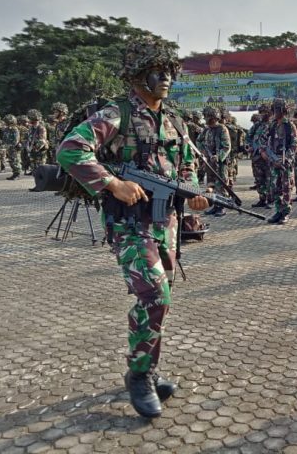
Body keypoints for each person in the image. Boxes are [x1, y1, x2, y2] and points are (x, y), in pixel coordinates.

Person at [57, 36, 208, 418]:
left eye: (170, 72)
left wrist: (192, 195)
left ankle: (148, 368)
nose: (166, 79)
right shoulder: (116, 114)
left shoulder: (174, 120)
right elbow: (71, 149)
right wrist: (112, 183)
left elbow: (186, 164)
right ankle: (139, 375)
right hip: (128, 224)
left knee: (160, 302)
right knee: (155, 296)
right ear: (138, 76)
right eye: (157, 73)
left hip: (165, 221)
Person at [263, 98, 296, 224]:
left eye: (278, 109)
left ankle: (285, 213)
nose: (275, 112)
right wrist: (263, 152)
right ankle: (278, 211)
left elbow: (294, 145)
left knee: (286, 187)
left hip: (284, 162)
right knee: (275, 187)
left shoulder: (289, 125)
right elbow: (263, 139)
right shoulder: (272, 125)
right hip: (273, 161)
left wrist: (285, 159)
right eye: (274, 109)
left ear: (284, 110)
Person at [201, 106, 231, 217]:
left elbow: (227, 147)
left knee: (221, 184)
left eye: (209, 117)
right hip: (209, 162)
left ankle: (222, 206)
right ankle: (215, 205)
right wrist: (203, 151)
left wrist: (218, 156)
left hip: (220, 163)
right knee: (211, 184)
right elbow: (199, 141)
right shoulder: (206, 130)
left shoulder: (222, 129)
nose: (207, 119)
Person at [249, 102, 273, 208]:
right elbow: (248, 137)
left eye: (265, 112)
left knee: (270, 179)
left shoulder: (274, 125)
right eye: (261, 112)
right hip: (257, 157)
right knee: (259, 179)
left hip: (268, 157)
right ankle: (262, 199)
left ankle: (270, 200)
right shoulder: (257, 126)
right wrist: (249, 146)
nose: (263, 114)